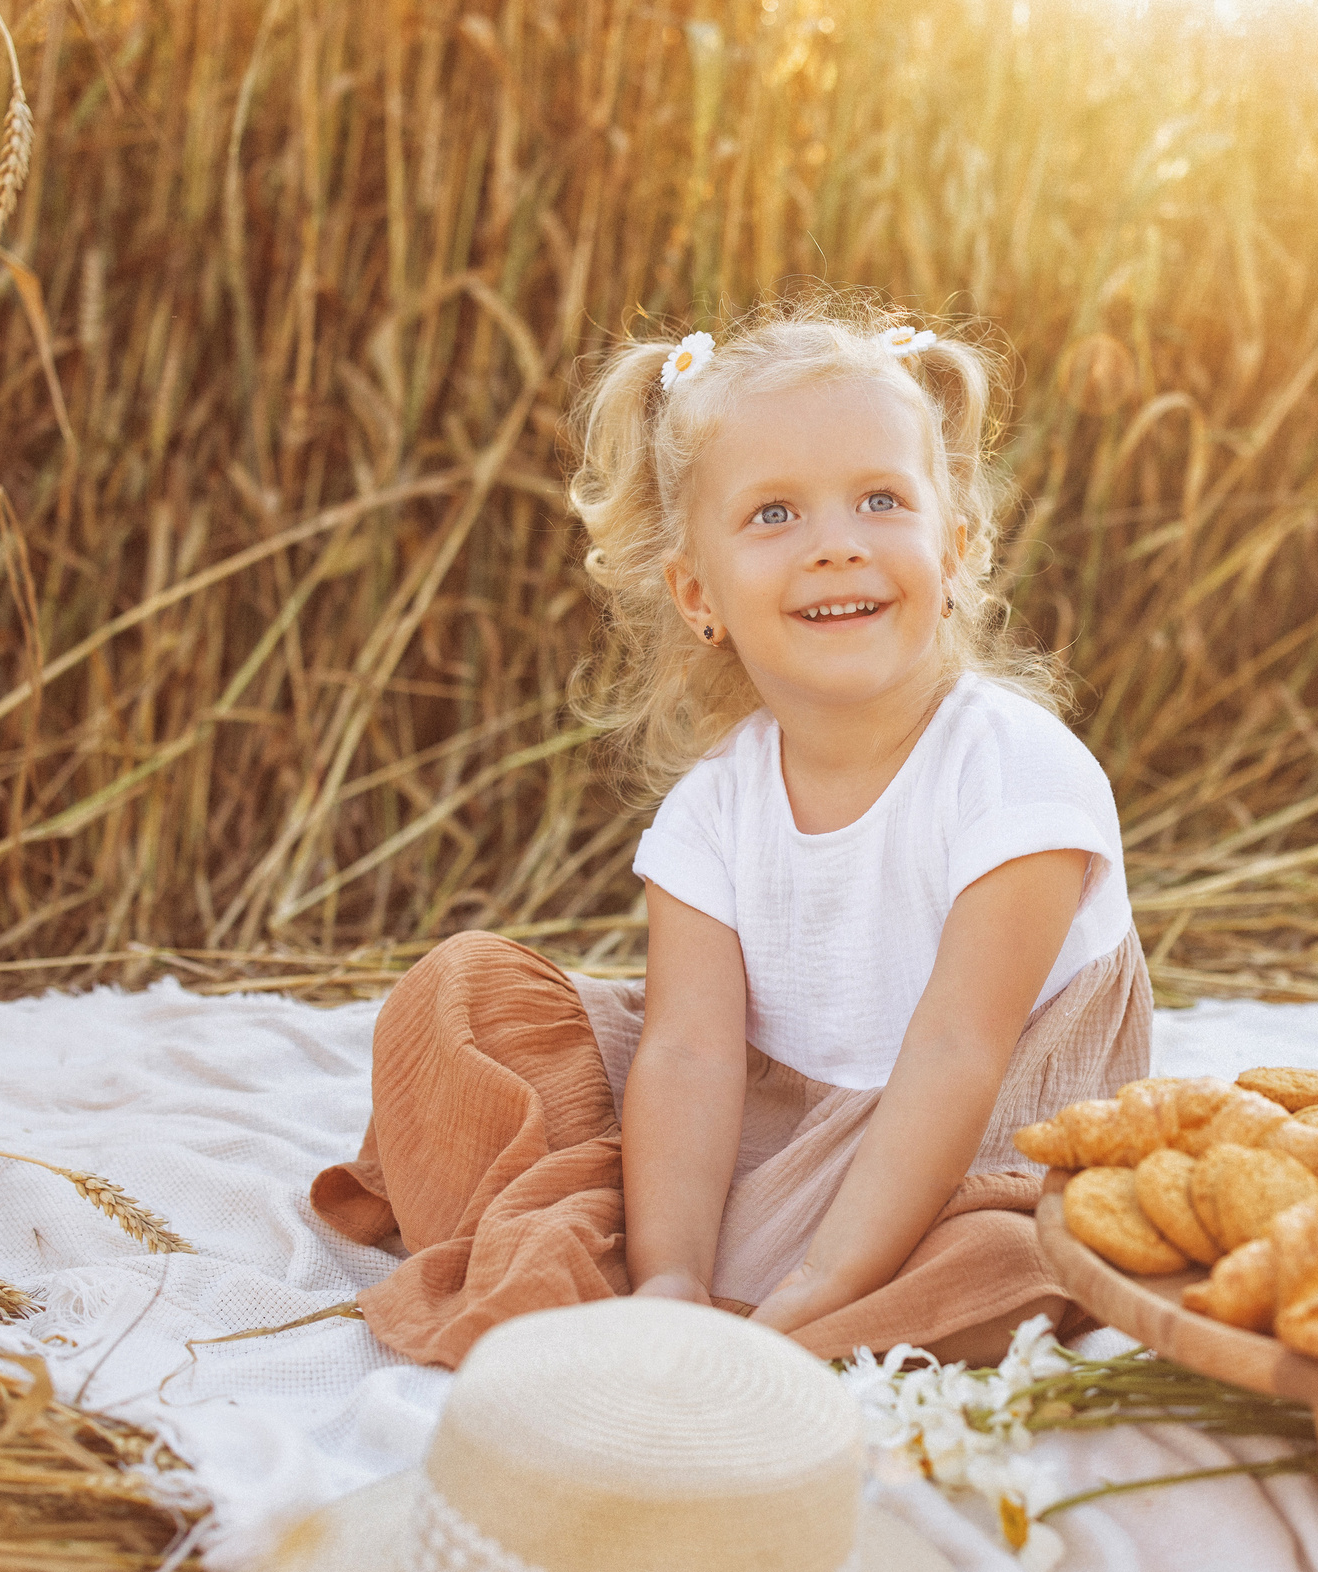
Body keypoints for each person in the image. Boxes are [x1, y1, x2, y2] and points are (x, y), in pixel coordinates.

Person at [309, 301, 1150, 1368]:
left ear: (957, 546)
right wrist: (671, 1268)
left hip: (963, 1157)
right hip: (757, 1128)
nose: (835, 546)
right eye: (773, 516)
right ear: (696, 592)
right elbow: (690, 1050)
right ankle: (654, 1290)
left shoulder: (1015, 773)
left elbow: (957, 1052)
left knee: (1035, 1253)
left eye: (881, 500)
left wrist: (827, 1278)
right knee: (461, 1001)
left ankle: (777, 1322)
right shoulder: (715, 805)